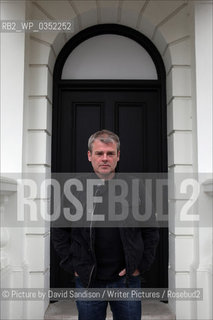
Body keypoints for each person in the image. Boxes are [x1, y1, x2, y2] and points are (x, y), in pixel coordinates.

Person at [52, 129, 159, 320]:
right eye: (99, 153)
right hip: (88, 281)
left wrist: (140, 265)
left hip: (126, 281)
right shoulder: (74, 189)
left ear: (118, 156)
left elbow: (150, 229)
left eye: (110, 153)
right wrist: (72, 264)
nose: (104, 158)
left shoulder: (135, 187)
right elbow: (60, 231)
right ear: (89, 156)